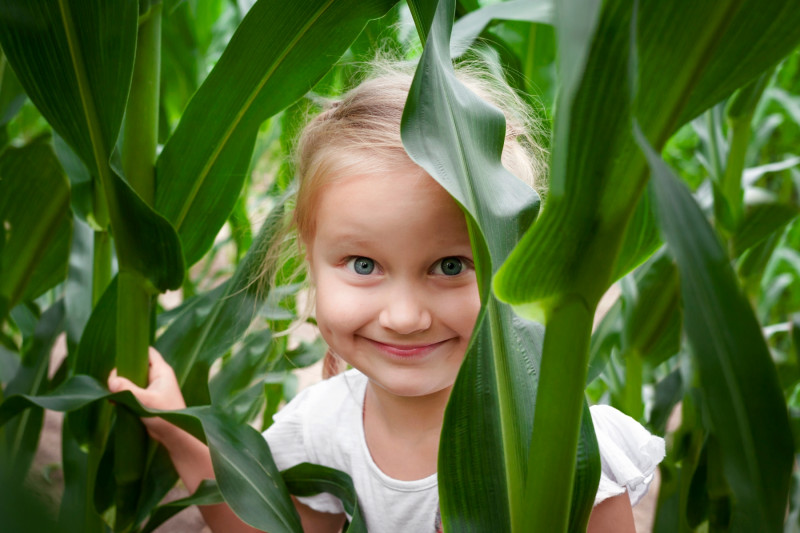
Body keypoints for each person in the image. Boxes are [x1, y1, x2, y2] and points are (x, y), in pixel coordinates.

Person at [108, 60, 664, 533]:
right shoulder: (323, 426)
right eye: (364, 265)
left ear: (519, 262)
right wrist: (177, 432)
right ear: (308, 259)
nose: (403, 317)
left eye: (450, 266)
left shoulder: (561, 445)